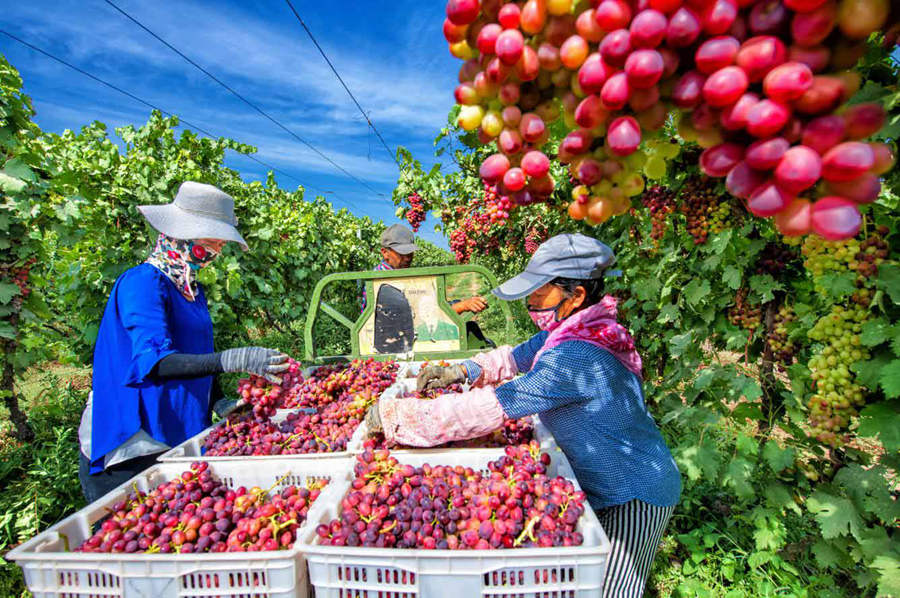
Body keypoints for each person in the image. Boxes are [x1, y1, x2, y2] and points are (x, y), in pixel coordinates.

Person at [365, 233, 681, 598]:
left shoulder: (577, 354)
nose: (531, 302)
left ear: (575, 295)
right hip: (599, 479)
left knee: (611, 589)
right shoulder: (573, 328)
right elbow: (517, 356)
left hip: (632, 491)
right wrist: (463, 371)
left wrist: (402, 419)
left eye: (539, 292)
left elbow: (499, 404)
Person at [78, 182, 290, 502]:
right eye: (212, 241)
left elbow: (196, 355)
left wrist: (217, 401)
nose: (217, 251)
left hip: (176, 435)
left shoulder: (192, 290)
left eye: (221, 243)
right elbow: (156, 361)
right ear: (182, 235)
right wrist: (230, 359)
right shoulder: (143, 284)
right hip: (134, 443)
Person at [361, 223, 493, 347]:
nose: (408, 258)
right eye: (402, 253)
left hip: (404, 340)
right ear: (385, 252)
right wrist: (461, 306)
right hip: (395, 344)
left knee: (471, 329)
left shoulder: (399, 275)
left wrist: (460, 303)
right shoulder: (381, 283)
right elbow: (418, 318)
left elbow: (427, 305)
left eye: (410, 252)